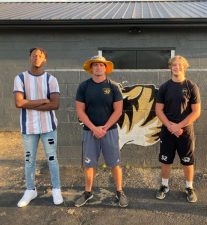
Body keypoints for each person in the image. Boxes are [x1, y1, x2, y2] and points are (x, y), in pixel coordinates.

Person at [75, 56, 128, 208]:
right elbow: (80, 111)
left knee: (115, 163)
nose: (98, 67)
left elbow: (118, 111)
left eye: (101, 65)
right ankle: (87, 192)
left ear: (106, 68)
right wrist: (94, 128)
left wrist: (104, 128)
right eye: (95, 65)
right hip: (89, 132)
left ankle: (119, 191)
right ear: (91, 68)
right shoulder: (83, 87)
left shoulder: (113, 86)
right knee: (89, 164)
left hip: (109, 131)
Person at [13, 47, 63, 207]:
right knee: (29, 160)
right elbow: (18, 103)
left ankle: (56, 189)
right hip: (29, 128)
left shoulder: (51, 79)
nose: (36, 57)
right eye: (34, 55)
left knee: (52, 159)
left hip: (48, 127)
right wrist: (43, 100)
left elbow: (55, 105)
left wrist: (29, 103)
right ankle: (30, 190)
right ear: (29, 57)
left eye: (40, 55)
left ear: (44, 59)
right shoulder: (20, 78)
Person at [155, 55, 201, 202]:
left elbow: (196, 112)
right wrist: (170, 126)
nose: (177, 67)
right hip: (168, 131)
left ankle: (189, 187)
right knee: (166, 160)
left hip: (185, 131)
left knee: (188, 161)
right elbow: (158, 110)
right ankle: (164, 186)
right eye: (174, 65)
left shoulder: (191, 86)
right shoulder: (164, 87)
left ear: (184, 67)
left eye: (180, 65)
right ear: (170, 67)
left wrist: (179, 126)